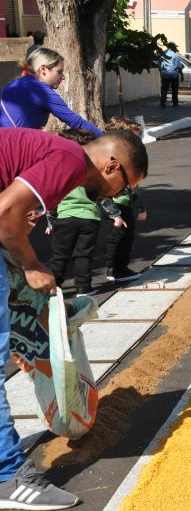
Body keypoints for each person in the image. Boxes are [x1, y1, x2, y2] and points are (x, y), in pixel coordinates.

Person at [0, 128, 148, 509]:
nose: (120, 195)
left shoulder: (52, 154)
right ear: (112, 166)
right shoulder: (70, 160)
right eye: (125, 185)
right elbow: (4, 216)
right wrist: (31, 265)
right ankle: (7, 475)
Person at [46, 129, 103, 296]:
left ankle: (54, 287)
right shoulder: (92, 170)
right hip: (89, 218)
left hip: (64, 217)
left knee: (59, 256)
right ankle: (83, 288)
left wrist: (51, 221)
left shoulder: (59, 168)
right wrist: (116, 216)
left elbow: (52, 198)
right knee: (83, 255)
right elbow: (102, 195)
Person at [0, 47, 102, 137]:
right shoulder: (41, 90)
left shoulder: (15, 83)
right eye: (59, 71)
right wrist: (104, 138)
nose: (63, 77)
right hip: (12, 146)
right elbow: (76, 122)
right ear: (43, 69)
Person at [101, 117, 147, 283]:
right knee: (119, 237)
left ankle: (119, 267)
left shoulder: (127, 155)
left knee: (126, 237)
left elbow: (133, 187)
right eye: (133, 139)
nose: (137, 143)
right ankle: (115, 269)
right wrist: (113, 211)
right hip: (115, 202)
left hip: (125, 201)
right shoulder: (113, 155)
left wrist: (139, 206)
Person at [159, 42, 184, 108]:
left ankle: (162, 102)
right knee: (174, 89)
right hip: (173, 74)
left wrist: (161, 73)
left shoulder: (162, 54)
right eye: (175, 47)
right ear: (172, 47)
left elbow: (159, 64)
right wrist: (182, 75)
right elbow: (178, 67)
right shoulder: (175, 55)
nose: (176, 48)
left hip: (165, 74)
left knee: (164, 89)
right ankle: (175, 103)